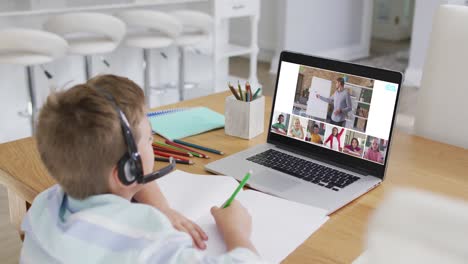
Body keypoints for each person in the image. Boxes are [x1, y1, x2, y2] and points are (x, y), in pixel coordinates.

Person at [20, 75, 260, 263]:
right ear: (127, 170)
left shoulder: (45, 207)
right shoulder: (148, 237)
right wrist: (236, 232)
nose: (153, 140)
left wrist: (162, 206)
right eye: (148, 138)